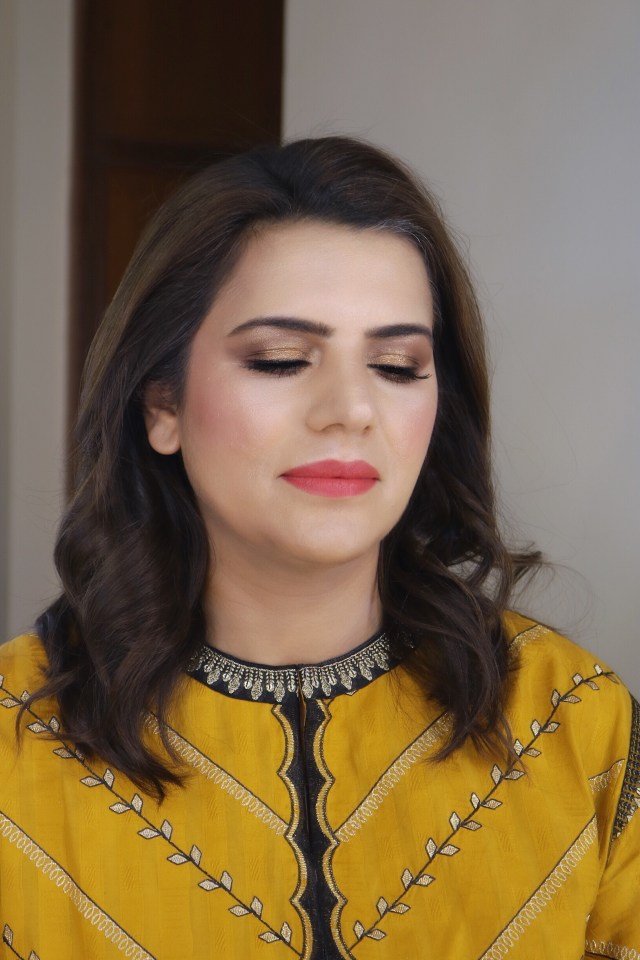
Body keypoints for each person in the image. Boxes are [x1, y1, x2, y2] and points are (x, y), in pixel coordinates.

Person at [0, 137, 637, 960]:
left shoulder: (577, 723)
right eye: (281, 360)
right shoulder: (14, 741)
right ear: (162, 404)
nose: (350, 409)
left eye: (397, 366)